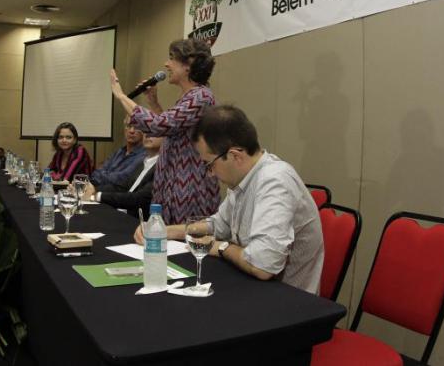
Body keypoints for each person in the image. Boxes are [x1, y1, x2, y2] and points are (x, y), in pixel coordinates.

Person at [134, 105, 324, 295]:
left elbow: (262, 265)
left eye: (209, 165)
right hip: (254, 288)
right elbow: (219, 225)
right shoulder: (244, 178)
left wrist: (221, 247)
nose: (210, 174)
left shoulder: (274, 181)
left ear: (235, 156)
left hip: (288, 300)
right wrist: (164, 231)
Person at [110, 38, 220, 224]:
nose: (166, 64)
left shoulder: (201, 96)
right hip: (172, 189)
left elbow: (159, 125)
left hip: (189, 193)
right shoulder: (189, 96)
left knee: (181, 241)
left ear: (189, 65)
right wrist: (153, 102)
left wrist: (121, 96)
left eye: (172, 58)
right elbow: (170, 130)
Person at [84, 135, 163, 218]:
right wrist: (94, 189)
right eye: (146, 131)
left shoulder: (162, 168)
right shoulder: (144, 162)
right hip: (122, 212)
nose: (147, 135)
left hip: (138, 220)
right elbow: (122, 187)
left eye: (154, 132)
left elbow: (139, 199)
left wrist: (97, 196)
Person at [90, 116, 145, 186]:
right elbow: (96, 173)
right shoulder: (120, 151)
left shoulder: (143, 155)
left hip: (114, 192)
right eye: (129, 126)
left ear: (144, 131)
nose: (131, 131)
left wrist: (102, 175)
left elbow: (122, 179)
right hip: (99, 188)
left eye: (137, 127)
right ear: (124, 129)